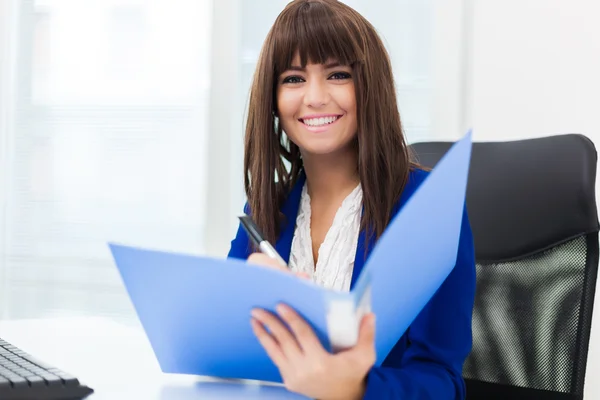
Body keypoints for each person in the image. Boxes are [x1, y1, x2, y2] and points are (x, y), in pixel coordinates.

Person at [227, 0, 476, 399]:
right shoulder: (265, 210)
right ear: (273, 98)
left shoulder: (427, 209)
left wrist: (356, 388)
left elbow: (442, 383)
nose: (315, 97)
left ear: (369, 87)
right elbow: (225, 350)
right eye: (293, 78)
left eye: (338, 74)